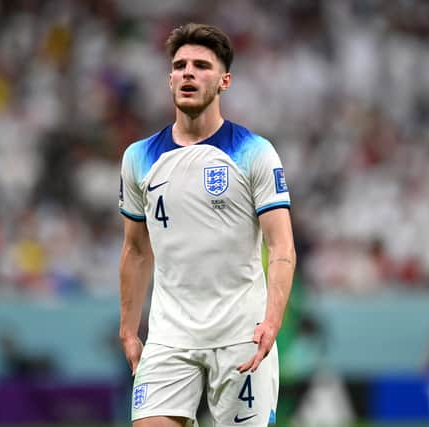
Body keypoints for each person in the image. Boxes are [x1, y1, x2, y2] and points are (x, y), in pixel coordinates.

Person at [118, 23, 296, 427]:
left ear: (224, 81)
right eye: (180, 65)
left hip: (241, 337)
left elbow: (281, 246)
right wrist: (129, 330)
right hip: (169, 337)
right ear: (169, 79)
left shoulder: (254, 153)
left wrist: (272, 322)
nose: (188, 73)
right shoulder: (139, 157)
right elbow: (135, 248)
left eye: (201, 65)